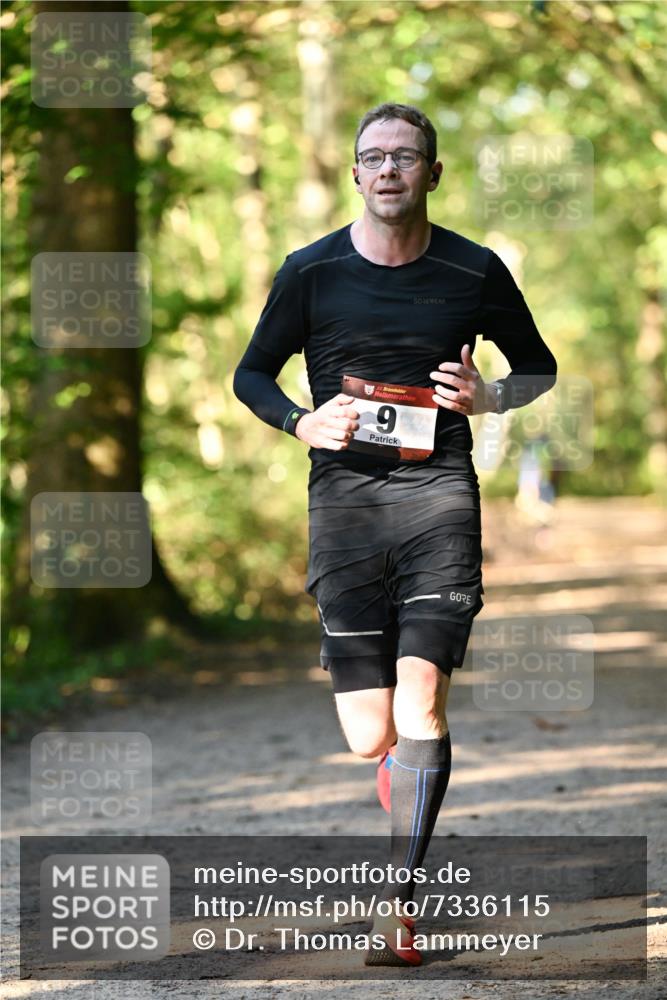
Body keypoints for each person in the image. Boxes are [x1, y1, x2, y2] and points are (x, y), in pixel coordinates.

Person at [234, 102, 557, 966]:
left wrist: (491, 397)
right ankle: (401, 766)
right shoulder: (310, 272)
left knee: (421, 704)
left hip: (438, 500)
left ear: (431, 173)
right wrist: (302, 423)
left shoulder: (472, 269)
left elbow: (538, 367)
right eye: (373, 156)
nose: (388, 170)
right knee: (368, 734)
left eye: (405, 157)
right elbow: (250, 373)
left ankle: (397, 908)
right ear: (354, 173)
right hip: (343, 509)